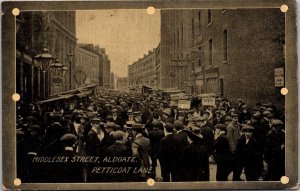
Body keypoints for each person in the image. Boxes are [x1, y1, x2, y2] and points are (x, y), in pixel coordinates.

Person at [226, 113, 242, 181]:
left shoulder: (237, 125)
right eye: (235, 118)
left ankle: (236, 177)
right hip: (234, 147)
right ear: (232, 119)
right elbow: (230, 138)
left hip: (238, 146)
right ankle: (225, 175)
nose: (236, 120)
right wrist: (232, 148)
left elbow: (239, 135)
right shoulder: (230, 127)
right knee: (232, 164)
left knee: (238, 164)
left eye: (237, 118)